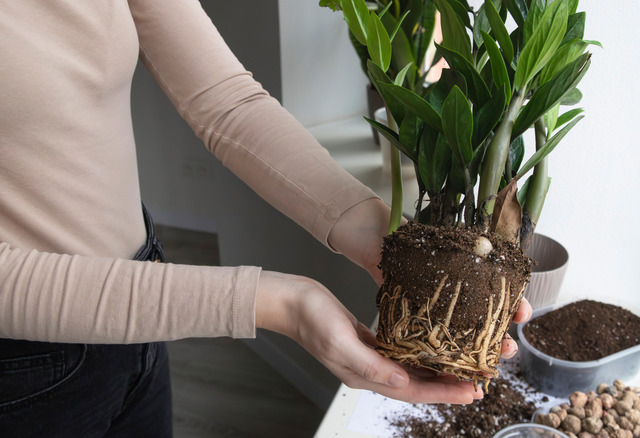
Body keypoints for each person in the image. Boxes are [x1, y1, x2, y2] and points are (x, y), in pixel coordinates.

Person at [0, 1, 533, 436]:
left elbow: (223, 100)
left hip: (139, 304)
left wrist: (379, 236)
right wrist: (284, 304)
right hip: (23, 370)